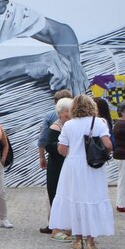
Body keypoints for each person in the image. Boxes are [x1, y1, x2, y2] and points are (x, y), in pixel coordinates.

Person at [49, 95, 115, 249]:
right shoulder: (99, 122)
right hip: (92, 166)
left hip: (73, 165)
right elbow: (108, 145)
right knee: (92, 198)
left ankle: (78, 240)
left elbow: (62, 149)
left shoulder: (69, 125)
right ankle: (90, 241)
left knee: (75, 199)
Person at [44, 98, 72, 240]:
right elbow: (48, 145)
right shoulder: (56, 127)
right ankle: (56, 228)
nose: (68, 113)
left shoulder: (71, 125)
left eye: (70, 110)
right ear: (60, 113)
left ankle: (66, 226)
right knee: (56, 194)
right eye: (66, 111)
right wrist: (64, 147)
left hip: (67, 165)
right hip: (57, 165)